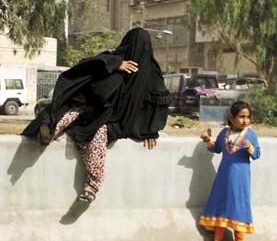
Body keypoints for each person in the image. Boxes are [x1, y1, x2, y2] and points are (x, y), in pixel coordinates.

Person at [22, 27, 169, 203]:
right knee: (71, 112)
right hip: (95, 111)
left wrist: (151, 131)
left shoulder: (152, 74)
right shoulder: (115, 59)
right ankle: (49, 131)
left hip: (119, 122)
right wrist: (115, 65)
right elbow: (88, 66)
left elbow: (157, 105)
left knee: (97, 134)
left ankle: (92, 186)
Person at [199, 101, 261, 241]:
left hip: (240, 177)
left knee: (238, 204)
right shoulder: (224, 133)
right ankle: (217, 240)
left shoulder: (250, 134)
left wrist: (251, 148)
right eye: (241, 117)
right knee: (221, 204)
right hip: (224, 175)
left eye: (248, 117)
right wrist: (207, 140)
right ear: (231, 117)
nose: (245, 120)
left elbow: (257, 154)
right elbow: (217, 148)